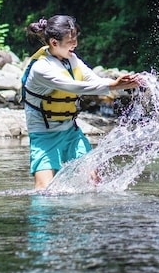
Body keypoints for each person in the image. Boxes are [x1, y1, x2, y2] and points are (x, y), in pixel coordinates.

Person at [22, 15, 143, 190]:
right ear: (54, 43)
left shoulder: (72, 60)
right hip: (44, 135)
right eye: (70, 41)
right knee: (43, 189)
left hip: (71, 132)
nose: (75, 44)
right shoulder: (41, 68)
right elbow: (75, 87)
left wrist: (123, 83)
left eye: (76, 39)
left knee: (94, 182)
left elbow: (94, 80)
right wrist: (114, 85)